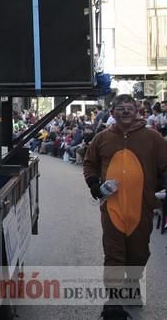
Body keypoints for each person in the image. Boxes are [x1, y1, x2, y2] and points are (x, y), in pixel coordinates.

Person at [83, 94, 167, 319]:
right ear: (113, 113)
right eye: (121, 108)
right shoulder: (102, 138)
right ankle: (113, 301)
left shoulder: (154, 138)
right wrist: (94, 184)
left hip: (142, 207)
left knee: (139, 253)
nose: (126, 112)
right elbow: (89, 163)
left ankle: (131, 285)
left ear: (138, 111)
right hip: (112, 207)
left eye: (130, 108)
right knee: (114, 254)